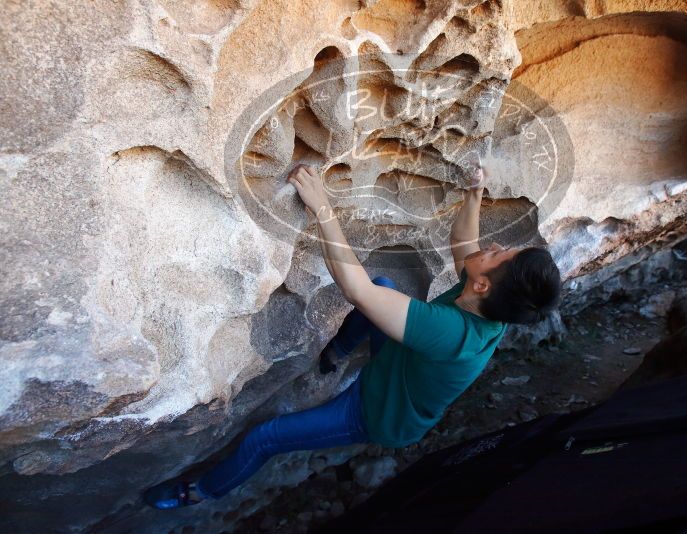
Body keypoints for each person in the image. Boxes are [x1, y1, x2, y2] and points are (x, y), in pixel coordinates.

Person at [144, 162, 561, 509]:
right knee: (384, 285)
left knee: (264, 438)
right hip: (396, 366)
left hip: (377, 412)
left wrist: (322, 207)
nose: (494, 246)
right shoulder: (492, 303)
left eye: (500, 254)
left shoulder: (453, 331)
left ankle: (198, 493)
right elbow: (464, 240)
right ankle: (337, 353)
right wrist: (474, 192)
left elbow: (356, 290)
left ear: (484, 284)